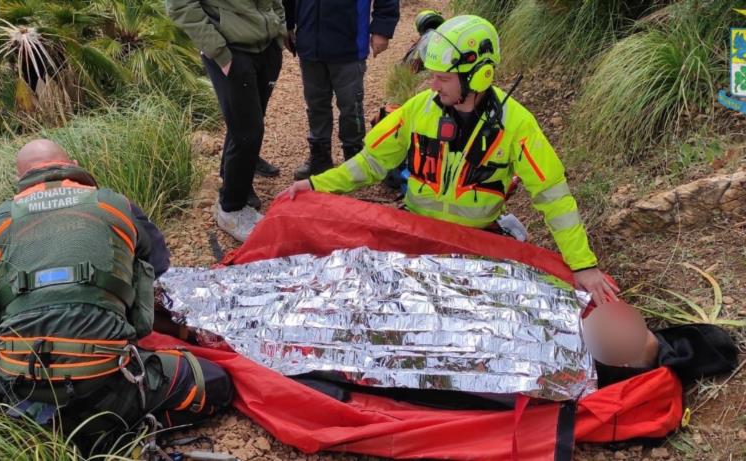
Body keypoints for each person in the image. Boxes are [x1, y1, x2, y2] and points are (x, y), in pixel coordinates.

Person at [277, 15, 619, 307]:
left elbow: (553, 197)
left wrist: (582, 265)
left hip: (477, 244)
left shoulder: (517, 125)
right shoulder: (417, 110)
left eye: (442, 77)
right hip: (415, 235)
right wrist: (317, 184)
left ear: (479, 76)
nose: (432, 84)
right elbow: (369, 164)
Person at [0, 139, 233, 454]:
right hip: (106, 384)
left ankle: (51, 432)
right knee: (216, 383)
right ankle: (125, 430)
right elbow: (158, 266)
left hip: (20, 389)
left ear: (21, 177)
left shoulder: (0, 219)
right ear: (69, 164)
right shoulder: (111, 203)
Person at [166, 0, 288, 241]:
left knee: (247, 124)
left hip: (266, 46)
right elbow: (180, 6)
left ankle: (232, 181)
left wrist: (279, 30)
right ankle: (231, 207)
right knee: (248, 132)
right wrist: (219, 52)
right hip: (231, 51)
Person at [283, 0, 400, 180]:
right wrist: (287, 24)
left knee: (350, 106)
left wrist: (382, 30)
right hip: (309, 44)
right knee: (316, 105)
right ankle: (320, 157)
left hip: (349, 46)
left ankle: (353, 157)